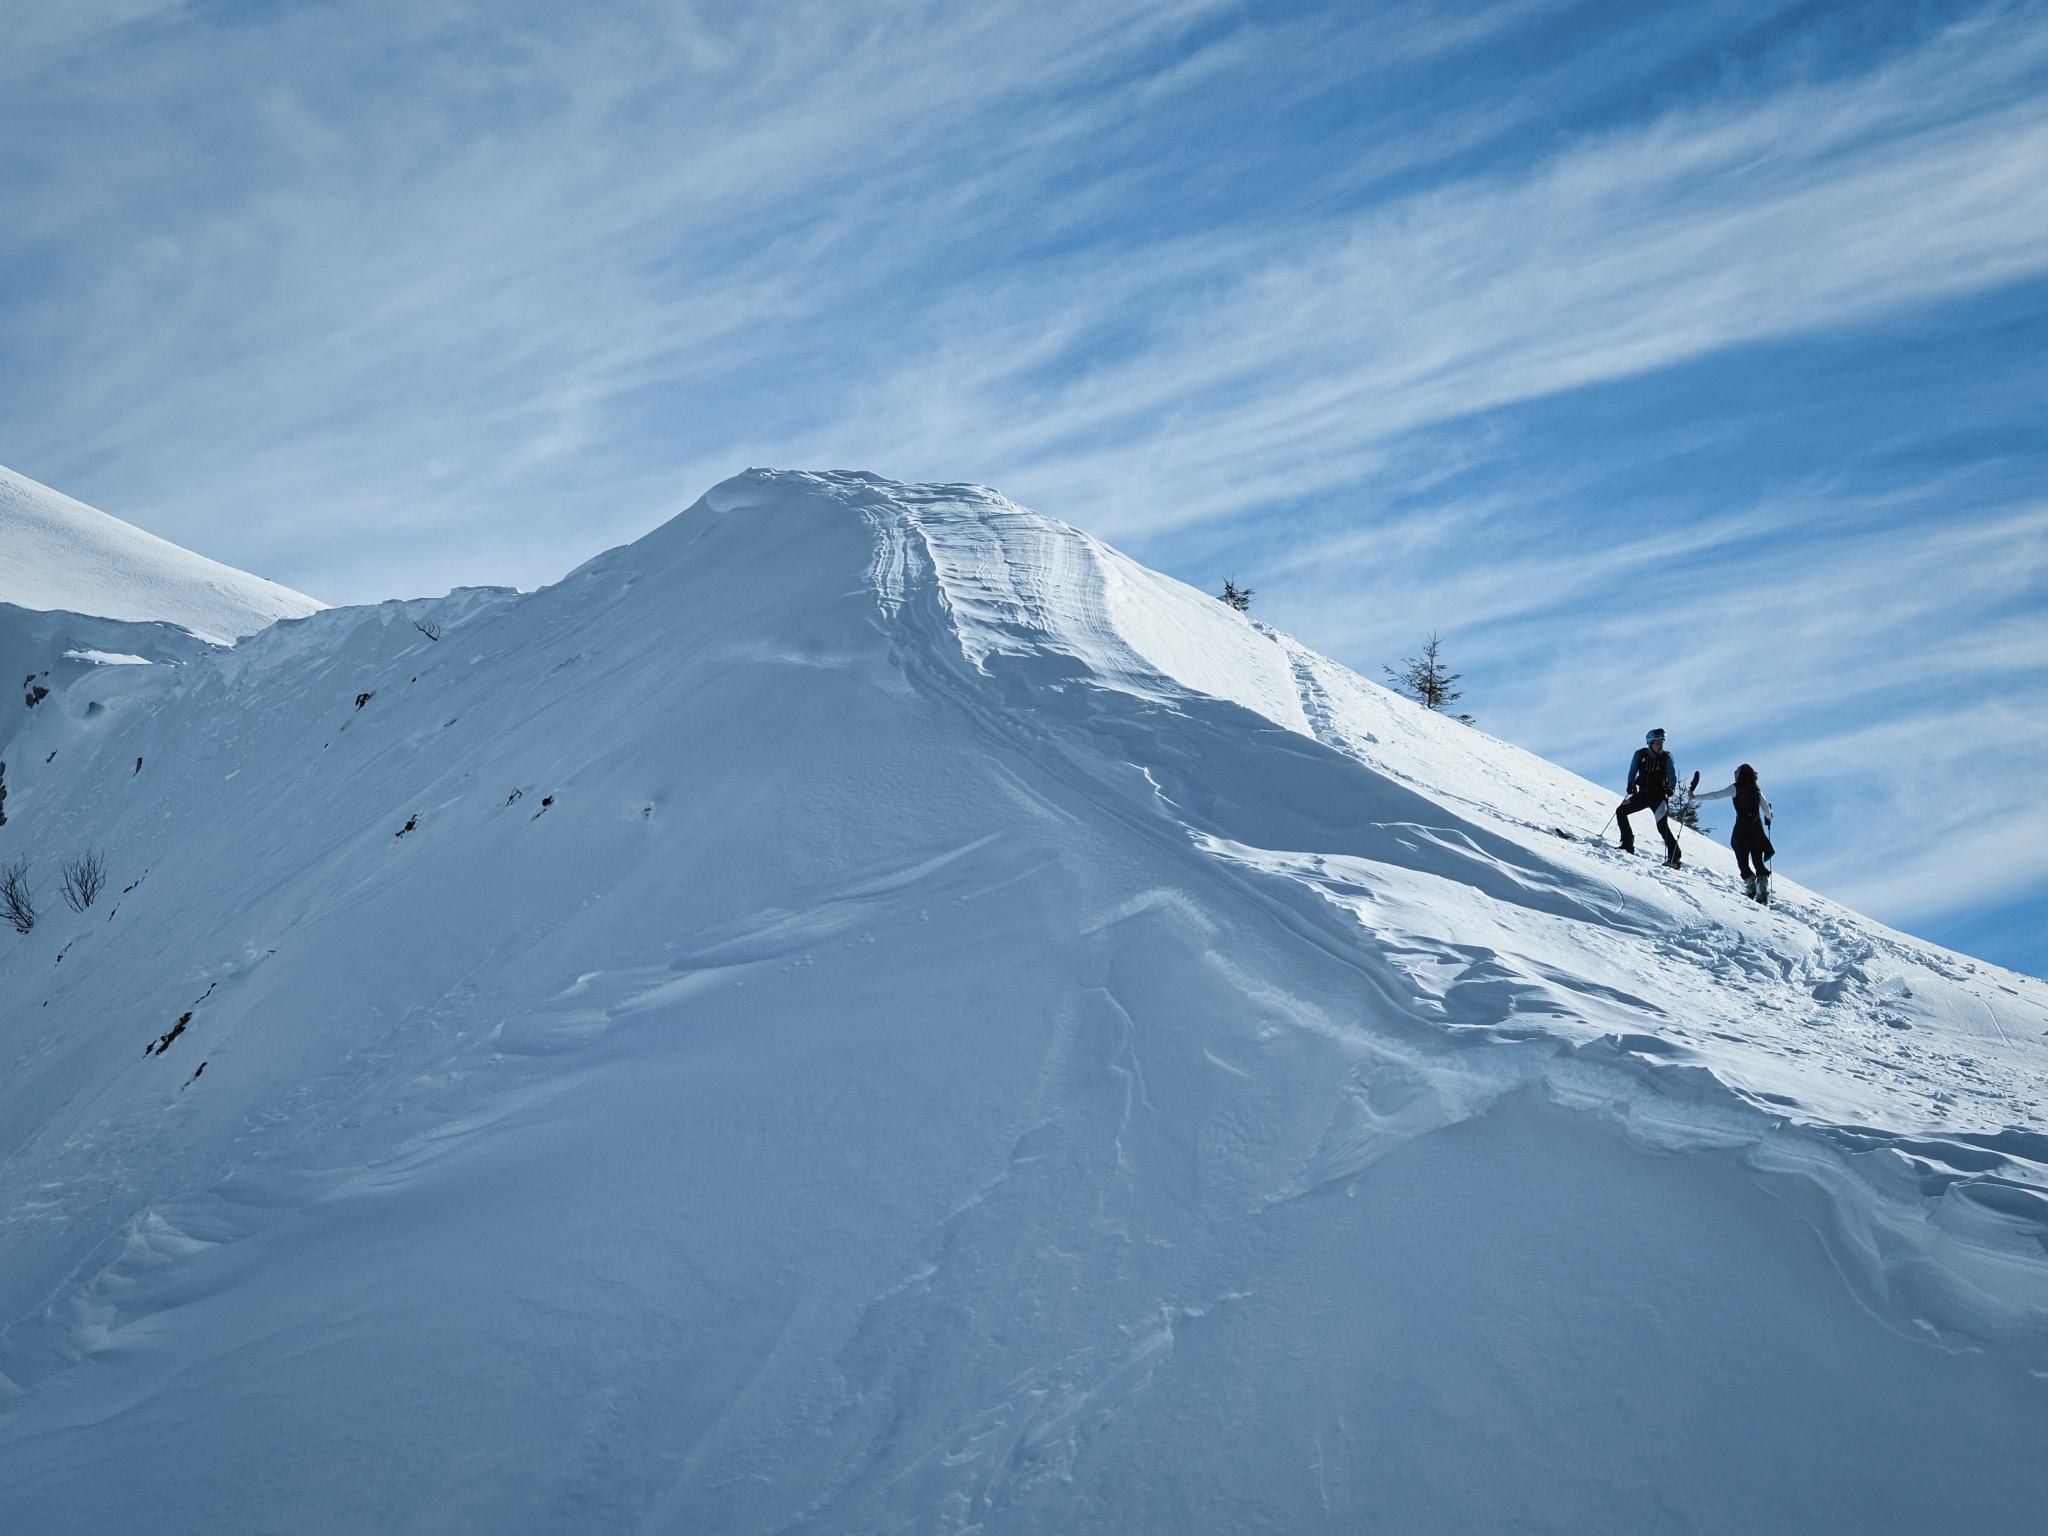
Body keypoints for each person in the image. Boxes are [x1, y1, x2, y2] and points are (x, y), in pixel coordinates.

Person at [1697, 763, 1774, 902]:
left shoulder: (1736, 788)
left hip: (1742, 825)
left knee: (1740, 850)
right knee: (1757, 856)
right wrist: (1769, 817)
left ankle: (1750, 881)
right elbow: (1765, 807)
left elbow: (1716, 795)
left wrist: (1696, 797)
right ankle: (1762, 887)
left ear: (1739, 774)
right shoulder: (1757, 789)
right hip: (1757, 825)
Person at [1616, 728, 1682, 866]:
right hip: (1642, 795)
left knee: (1662, 827)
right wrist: (1630, 784)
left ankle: (1674, 858)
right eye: (1657, 743)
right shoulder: (1640, 754)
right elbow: (1632, 771)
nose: (1660, 746)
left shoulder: (1666, 757)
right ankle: (1627, 845)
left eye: (1662, 743)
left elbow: (1673, 776)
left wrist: (1671, 788)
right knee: (1621, 811)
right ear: (1650, 743)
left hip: (1658, 798)